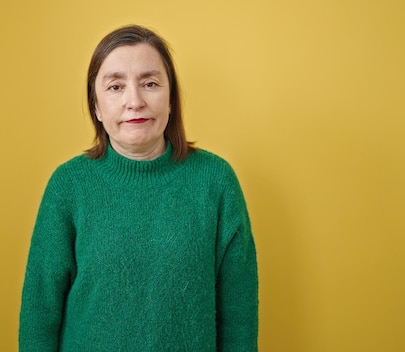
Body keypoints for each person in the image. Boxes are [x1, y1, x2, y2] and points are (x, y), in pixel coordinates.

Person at [19, 24, 258, 351]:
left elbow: (239, 314)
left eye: (150, 84)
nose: (134, 101)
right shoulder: (68, 186)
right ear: (96, 107)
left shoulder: (216, 182)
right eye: (116, 86)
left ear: (171, 99)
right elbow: (39, 314)